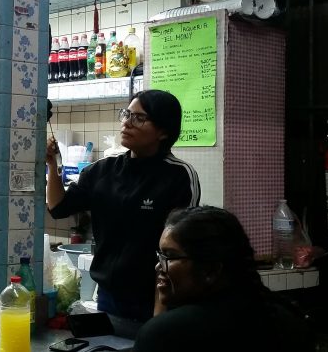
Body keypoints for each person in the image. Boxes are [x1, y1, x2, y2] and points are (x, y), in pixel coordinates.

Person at [46, 90, 200, 334]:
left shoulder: (178, 176)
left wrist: (159, 321)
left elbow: (173, 251)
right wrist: (52, 164)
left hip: (155, 296)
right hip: (108, 297)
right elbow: (58, 207)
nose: (126, 122)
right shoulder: (102, 170)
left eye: (139, 118)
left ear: (164, 131)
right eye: (126, 114)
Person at [133, 206, 314, 352]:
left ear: (210, 271)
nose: (159, 266)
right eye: (160, 256)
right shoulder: (287, 317)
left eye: (170, 256)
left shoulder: (165, 335)